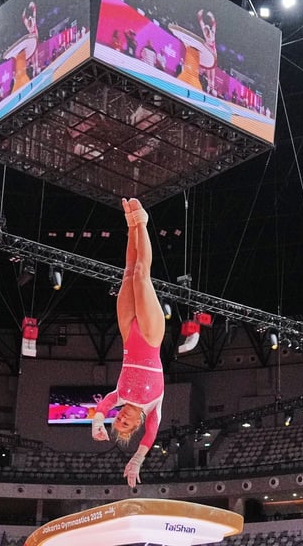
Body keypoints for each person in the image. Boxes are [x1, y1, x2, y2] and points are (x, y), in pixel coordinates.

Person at [91, 198, 166, 488]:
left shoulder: (119, 396)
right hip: (150, 335)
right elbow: (150, 437)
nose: (120, 417)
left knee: (128, 271)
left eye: (116, 419)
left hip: (127, 333)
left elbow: (103, 407)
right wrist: (137, 459)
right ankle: (143, 222)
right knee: (141, 275)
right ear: (135, 424)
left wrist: (98, 423)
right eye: (124, 423)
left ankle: (132, 225)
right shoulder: (153, 408)